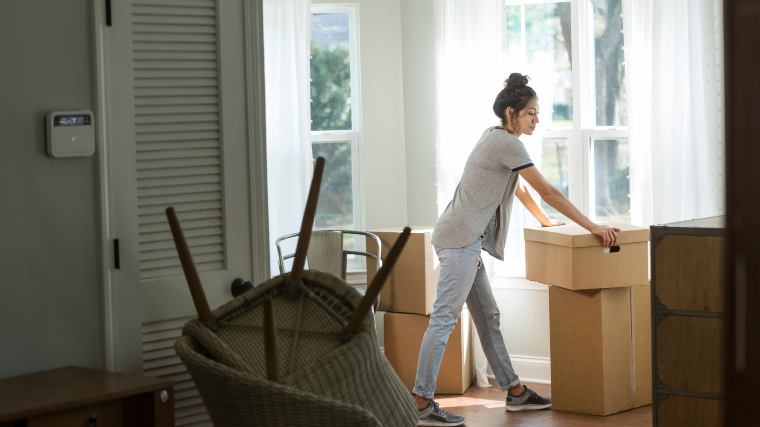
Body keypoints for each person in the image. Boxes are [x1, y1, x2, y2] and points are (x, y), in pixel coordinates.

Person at [413, 73, 620, 426]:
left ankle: (515, 392)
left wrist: (544, 220)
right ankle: (420, 401)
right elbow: (547, 190)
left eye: (537, 113)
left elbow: (520, 189)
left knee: (488, 317)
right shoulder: (508, 143)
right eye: (531, 113)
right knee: (445, 317)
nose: (537, 119)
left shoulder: (496, 137)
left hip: (465, 237)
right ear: (511, 113)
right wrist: (594, 227)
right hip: (460, 239)